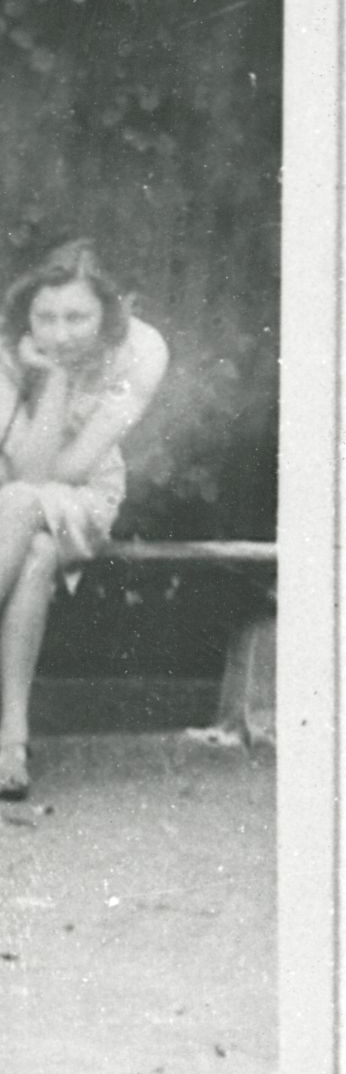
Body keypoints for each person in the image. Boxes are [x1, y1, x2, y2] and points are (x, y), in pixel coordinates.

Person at [0, 242, 172, 802]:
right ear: (26, 313)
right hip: (8, 502)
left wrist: (51, 380)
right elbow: (22, 470)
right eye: (45, 317)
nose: (59, 333)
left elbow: (66, 470)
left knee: (24, 502)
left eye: (77, 317)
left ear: (107, 314)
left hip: (84, 497)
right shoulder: (5, 350)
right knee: (36, 552)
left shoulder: (140, 350)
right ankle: (12, 743)